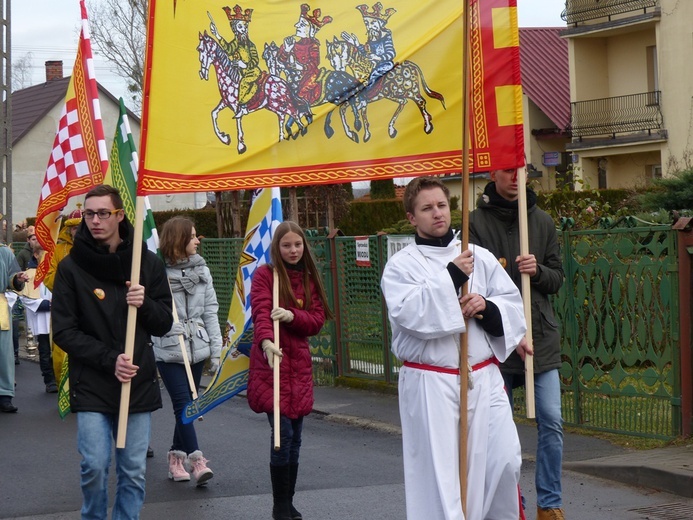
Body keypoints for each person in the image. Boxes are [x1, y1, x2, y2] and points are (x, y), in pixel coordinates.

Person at [380, 176, 529, 520]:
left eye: (442, 205)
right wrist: (450, 278)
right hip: (432, 384)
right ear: (412, 218)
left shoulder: (479, 256)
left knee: (504, 462)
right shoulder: (402, 266)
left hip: (484, 379)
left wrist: (486, 308)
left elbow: (511, 307)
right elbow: (409, 313)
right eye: (427, 208)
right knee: (444, 480)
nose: (437, 213)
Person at [51, 185, 173, 519]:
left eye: (103, 213)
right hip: (92, 380)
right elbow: (63, 330)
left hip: (137, 381)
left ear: (120, 215)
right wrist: (108, 359)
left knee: (133, 470)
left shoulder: (145, 263)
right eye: (88, 213)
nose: (94, 220)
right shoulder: (71, 267)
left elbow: (164, 322)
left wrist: (144, 302)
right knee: (94, 465)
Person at [469, 168, 565, 520]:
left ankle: (550, 503)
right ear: (494, 173)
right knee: (498, 429)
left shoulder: (541, 221)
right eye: (507, 171)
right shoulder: (475, 222)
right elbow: (473, 278)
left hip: (539, 338)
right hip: (497, 340)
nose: (514, 178)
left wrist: (538, 271)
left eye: (519, 172)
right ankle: (509, 501)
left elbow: (557, 278)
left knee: (551, 420)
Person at [247, 221, 333, 520]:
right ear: (277, 248)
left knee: (295, 437)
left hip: (298, 367)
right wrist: (267, 341)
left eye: (297, 245)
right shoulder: (265, 276)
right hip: (272, 363)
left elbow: (316, 321)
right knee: (280, 434)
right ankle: (279, 505)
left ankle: (289, 500)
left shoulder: (309, 279)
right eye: (287, 245)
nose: (293, 250)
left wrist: (291, 316)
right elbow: (259, 311)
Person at [152, 216, 221, 486]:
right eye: (192, 236)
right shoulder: (157, 274)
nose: (196, 240)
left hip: (197, 347)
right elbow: (151, 314)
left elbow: (211, 312)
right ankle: (197, 459)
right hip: (168, 349)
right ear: (178, 239)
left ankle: (175, 458)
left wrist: (216, 350)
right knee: (184, 404)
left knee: (188, 405)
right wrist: (168, 327)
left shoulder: (202, 271)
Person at [19, 229, 57, 393]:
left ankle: (60, 378)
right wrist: (47, 304)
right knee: (44, 350)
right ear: (36, 255)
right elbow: (25, 297)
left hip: (57, 318)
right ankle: (49, 380)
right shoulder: (29, 274)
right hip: (42, 319)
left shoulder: (55, 272)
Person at [209, 4, 262, 118]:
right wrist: (217, 35)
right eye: (240, 27)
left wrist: (244, 65)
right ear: (235, 29)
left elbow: (255, 60)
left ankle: (242, 107)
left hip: (252, 72)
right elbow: (228, 49)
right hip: (239, 72)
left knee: (243, 83)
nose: (243, 29)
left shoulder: (250, 44)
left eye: (244, 26)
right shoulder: (236, 43)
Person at [278, 4, 333, 105]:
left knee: (300, 95)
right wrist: (286, 50)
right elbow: (280, 60)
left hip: (310, 75)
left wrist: (301, 67)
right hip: (291, 77)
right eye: (299, 22)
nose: (296, 25)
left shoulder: (313, 45)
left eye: (302, 24)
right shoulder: (291, 43)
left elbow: (315, 62)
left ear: (311, 30)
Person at [341, 2, 397, 90]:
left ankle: (367, 92)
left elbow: (391, 53)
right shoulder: (372, 37)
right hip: (373, 64)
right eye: (367, 23)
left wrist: (378, 57)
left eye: (373, 23)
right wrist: (356, 44)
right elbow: (366, 53)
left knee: (373, 75)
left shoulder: (385, 36)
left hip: (385, 64)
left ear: (380, 24)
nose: (369, 26)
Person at [0, 245, 29, 413]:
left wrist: (18, 279)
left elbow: (13, 277)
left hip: (0, 308)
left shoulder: (3, 252)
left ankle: (4, 395)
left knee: (4, 354)